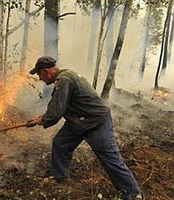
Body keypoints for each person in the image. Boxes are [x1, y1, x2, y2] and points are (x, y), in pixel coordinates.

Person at [26, 56, 142, 200]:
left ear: (46, 72)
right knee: (61, 143)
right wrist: (41, 118)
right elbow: (60, 105)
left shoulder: (64, 80)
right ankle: (59, 178)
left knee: (110, 157)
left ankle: (133, 193)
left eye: (39, 75)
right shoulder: (65, 77)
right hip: (79, 120)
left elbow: (56, 111)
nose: (40, 79)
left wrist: (42, 120)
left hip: (95, 121)